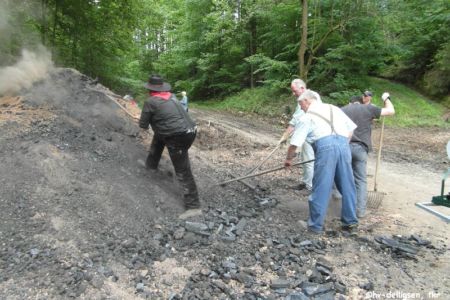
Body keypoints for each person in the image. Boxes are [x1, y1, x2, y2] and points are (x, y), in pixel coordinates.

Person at [284, 90, 359, 234]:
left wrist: (288, 159)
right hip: (344, 145)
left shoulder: (307, 117)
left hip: (325, 147)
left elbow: (295, 143)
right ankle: (350, 225)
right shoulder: (334, 108)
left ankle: (315, 226)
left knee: (321, 187)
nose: (301, 108)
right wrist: (340, 145)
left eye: (301, 105)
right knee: (347, 186)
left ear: (308, 101)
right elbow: (351, 129)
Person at [139, 75, 201, 219]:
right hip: (190, 130)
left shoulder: (150, 101)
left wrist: (145, 119)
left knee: (182, 169)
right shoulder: (172, 97)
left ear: (150, 89)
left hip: (178, 135)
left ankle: (194, 206)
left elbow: (143, 125)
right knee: (159, 137)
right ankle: (151, 166)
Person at [341, 90, 395, 218]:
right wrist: (386, 98)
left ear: (350, 102)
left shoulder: (343, 110)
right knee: (360, 180)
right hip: (360, 148)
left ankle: (342, 208)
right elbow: (391, 111)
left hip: (344, 147)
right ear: (362, 101)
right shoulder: (368, 108)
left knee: (343, 178)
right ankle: (360, 211)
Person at [279, 79, 322, 193]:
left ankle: (309, 186)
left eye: (295, 91)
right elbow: (297, 119)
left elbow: (296, 120)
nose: (293, 93)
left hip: (311, 133)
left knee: (308, 160)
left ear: (302, 88)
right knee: (307, 159)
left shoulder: (306, 98)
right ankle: (307, 182)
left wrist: (285, 135)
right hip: (311, 131)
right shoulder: (308, 97)